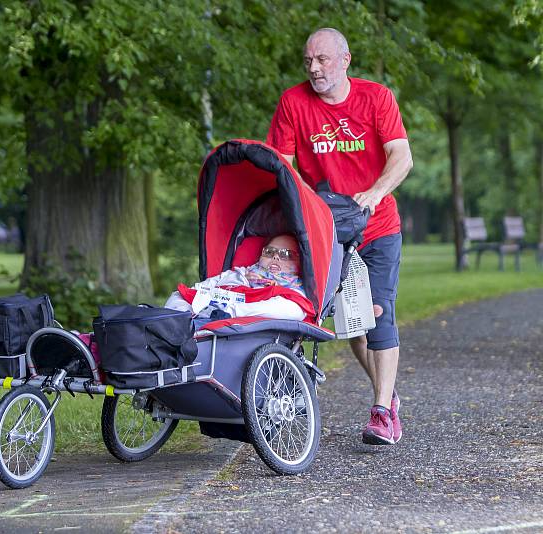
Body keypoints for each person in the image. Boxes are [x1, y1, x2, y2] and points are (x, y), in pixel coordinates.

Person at [266, 28, 413, 445]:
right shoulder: (293, 103)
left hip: (377, 225)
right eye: (309, 61)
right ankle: (389, 393)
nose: (314, 68)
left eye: (323, 60)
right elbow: (284, 169)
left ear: (345, 60)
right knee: (354, 325)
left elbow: (402, 156)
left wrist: (375, 192)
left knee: (379, 312)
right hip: (329, 230)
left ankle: (382, 411)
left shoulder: (376, 97)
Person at [164, 234, 313, 322]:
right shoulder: (239, 274)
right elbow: (197, 290)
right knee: (179, 295)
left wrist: (230, 310)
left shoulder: (296, 291)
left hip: (237, 319)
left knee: (293, 308)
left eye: (286, 254)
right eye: (269, 251)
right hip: (205, 311)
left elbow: (293, 310)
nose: (275, 256)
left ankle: (220, 314)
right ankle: (176, 321)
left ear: (299, 262)